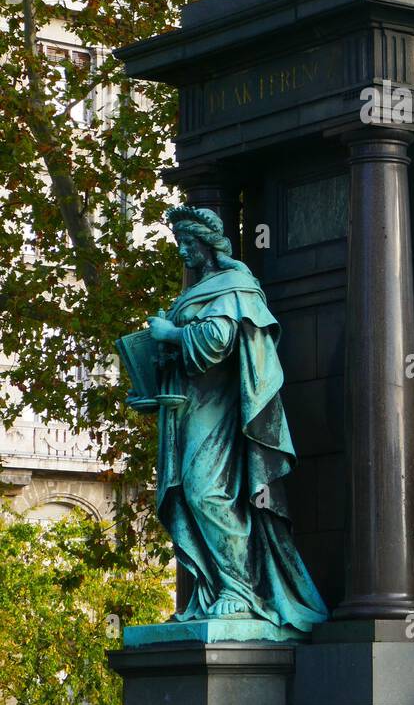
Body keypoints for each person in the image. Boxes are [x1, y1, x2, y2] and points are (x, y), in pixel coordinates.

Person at [139, 205, 328, 633]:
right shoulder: (201, 289)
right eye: (179, 244)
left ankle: (240, 588)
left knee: (205, 491)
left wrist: (171, 334)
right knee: (188, 494)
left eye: (188, 244)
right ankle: (214, 588)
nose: (183, 252)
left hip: (222, 408)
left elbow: (219, 339)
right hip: (189, 405)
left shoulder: (235, 284)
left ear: (208, 244)